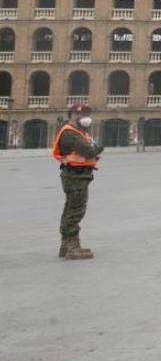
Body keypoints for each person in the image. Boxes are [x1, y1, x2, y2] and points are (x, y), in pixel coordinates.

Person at [52, 103, 103, 260]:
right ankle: (72, 247)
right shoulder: (70, 133)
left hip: (78, 175)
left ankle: (66, 245)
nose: (82, 117)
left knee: (71, 209)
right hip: (75, 177)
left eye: (86, 114)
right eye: (77, 114)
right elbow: (89, 151)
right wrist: (98, 148)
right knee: (75, 211)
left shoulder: (79, 133)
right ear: (71, 116)